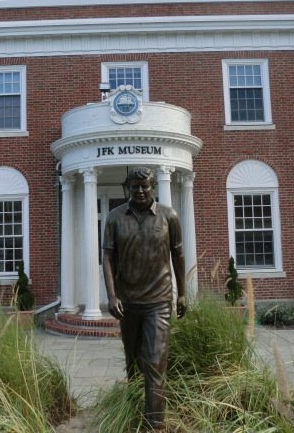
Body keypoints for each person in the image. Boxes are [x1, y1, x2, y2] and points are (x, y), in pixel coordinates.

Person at [102, 166, 186, 431]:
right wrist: (112, 294)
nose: (140, 190)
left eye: (145, 185)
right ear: (128, 187)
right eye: (135, 186)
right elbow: (108, 258)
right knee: (134, 364)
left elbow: (178, 256)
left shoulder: (168, 216)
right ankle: (134, 412)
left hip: (159, 301)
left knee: (155, 362)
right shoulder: (115, 218)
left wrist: (182, 293)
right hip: (127, 303)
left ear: (153, 187)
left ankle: (156, 425)